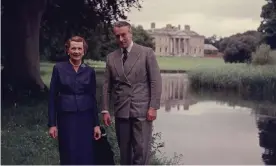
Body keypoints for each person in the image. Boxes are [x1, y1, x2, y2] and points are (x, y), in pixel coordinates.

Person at [101, 21, 162, 165]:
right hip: (121, 110)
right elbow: (106, 86)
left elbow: (155, 82)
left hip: (142, 110)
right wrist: (105, 109)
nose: (121, 39)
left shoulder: (146, 53)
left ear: (130, 33)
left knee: (141, 151)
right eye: (117, 36)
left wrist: (153, 107)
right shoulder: (111, 57)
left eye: (123, 35)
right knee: (124, 152)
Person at [48, 36, 101, 165]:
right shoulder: (59, 68)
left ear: (84, 51)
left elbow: (93, 98)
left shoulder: (89, 71)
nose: (76, 51)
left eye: (79, 48)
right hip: (66, 117)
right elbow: (52, 97)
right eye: (73, 48)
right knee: (68, 151)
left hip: (86, 117)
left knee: (86, 153)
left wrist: (96, 124)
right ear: (68, 51)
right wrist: (52, 124)